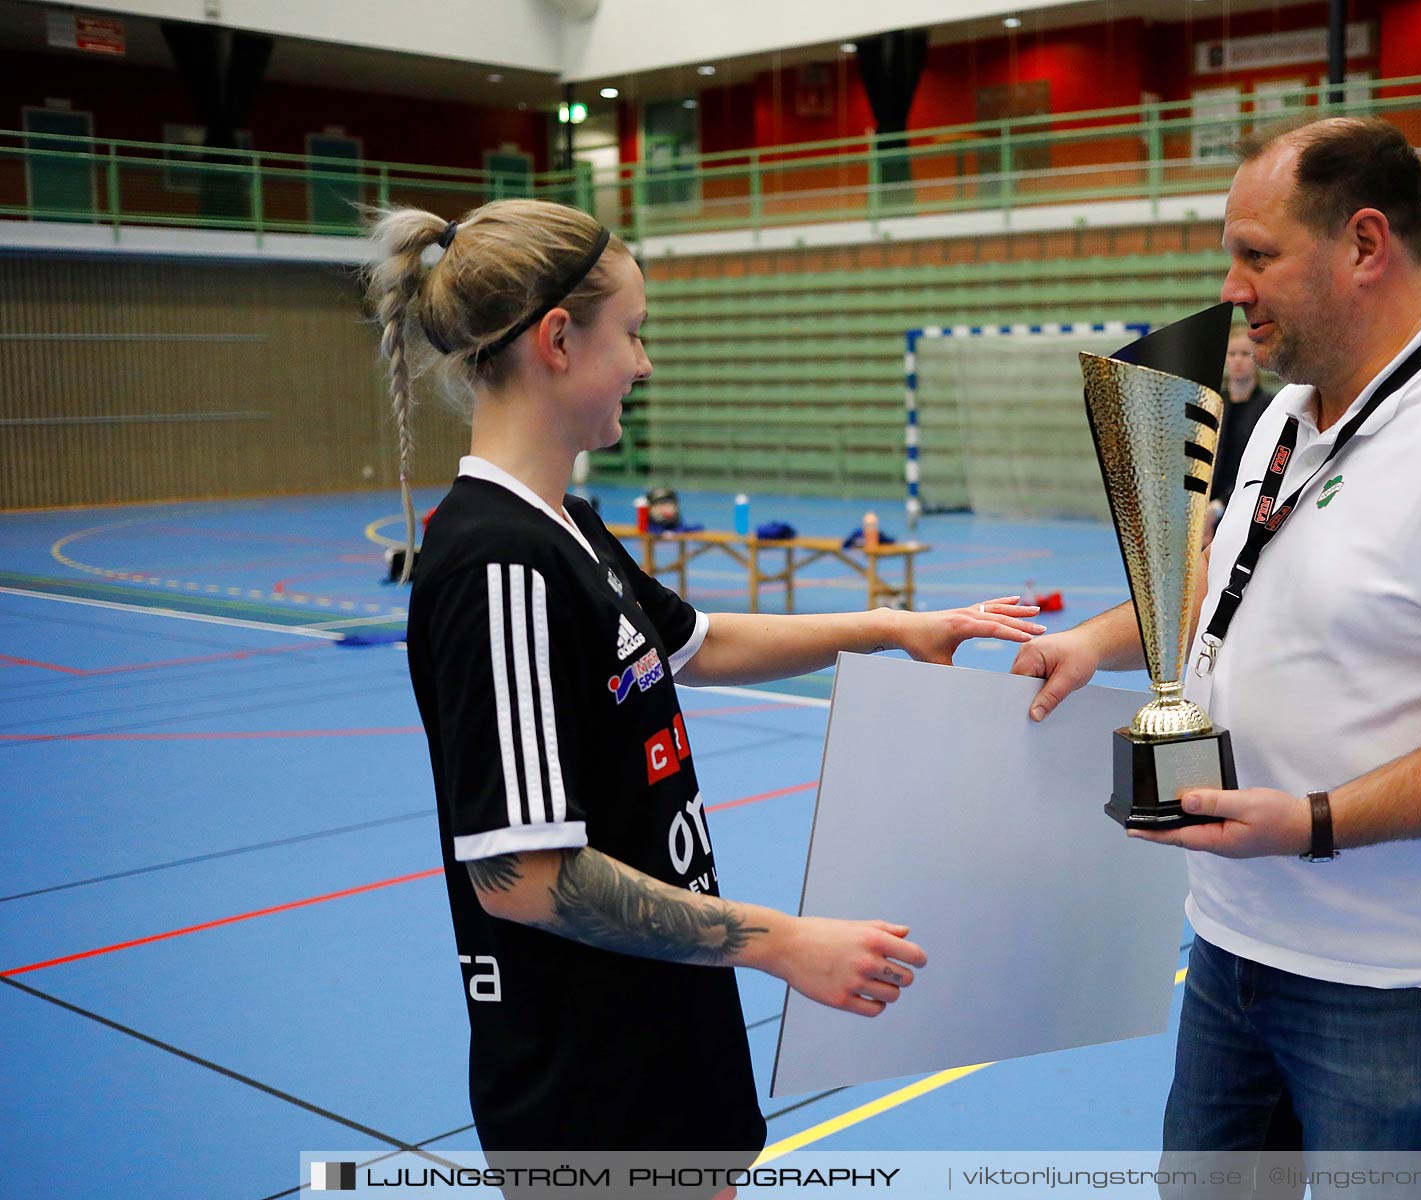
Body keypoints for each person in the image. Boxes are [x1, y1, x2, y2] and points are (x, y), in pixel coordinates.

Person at [363, 199, 1045, 1168]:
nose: (643, 363)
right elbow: (520, 876)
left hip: (670, 1014)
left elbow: (698, 642)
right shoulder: (496, 564)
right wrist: (779, 942)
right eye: (631, 333)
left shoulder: (568, 525)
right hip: (591, 1080)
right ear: (559, 339)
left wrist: (895, 627)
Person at [1011, 118, 1421, 1190]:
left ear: (1366, 245)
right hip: (1235, 947)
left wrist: (1314, 823)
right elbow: (1223, 579)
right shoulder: (1294, 415)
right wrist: (1096, 643)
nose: (1232, 287)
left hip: (1400, 981)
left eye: (1257, 254)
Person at [1204, 329, 1274, 544]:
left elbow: (1263, 465)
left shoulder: (1270, 407)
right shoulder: (1211, 403)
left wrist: (1219, 506)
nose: (1237, 360)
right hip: (1207, 502)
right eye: (1232, 354)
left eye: (1245, 354)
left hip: (1246, 501)